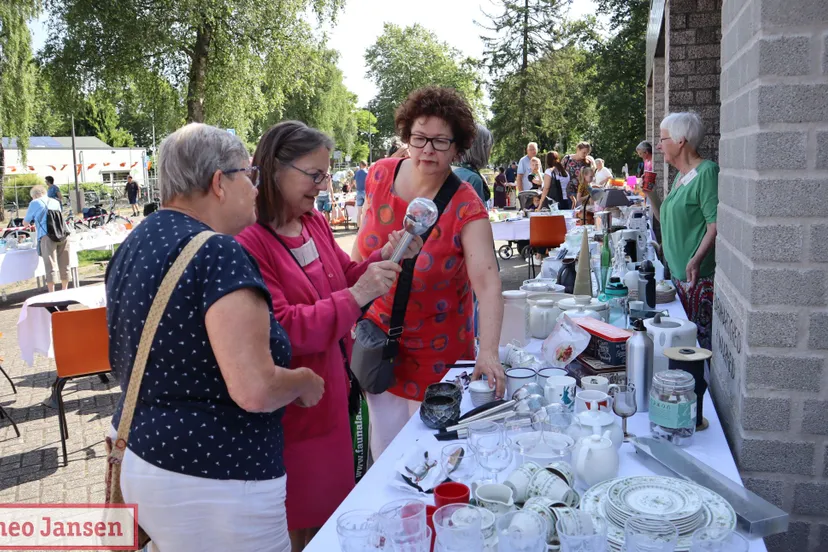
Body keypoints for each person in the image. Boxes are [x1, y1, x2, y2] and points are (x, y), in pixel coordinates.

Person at [105, 123, 325, 552]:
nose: (257, 188)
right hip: (217, 482)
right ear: (218, 183)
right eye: (249, 174)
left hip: (141, 456)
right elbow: (255, 389)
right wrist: (303, 381)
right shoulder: (219, 252)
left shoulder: (137, 242)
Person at [236, 121, 421, 550]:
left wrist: (387, 255)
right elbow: (284, 328)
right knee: (303, 531)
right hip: (295, 411)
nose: (323, 185)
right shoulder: (250, 242)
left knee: (338, 521)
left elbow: (344, 276)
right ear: (276, 168)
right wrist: (359, 293)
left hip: (332, 399)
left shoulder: (312, 222)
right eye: (314, 175)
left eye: (325, 174)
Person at [352, 86, 506, 460]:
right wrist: (351, 307)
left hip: (439, 351)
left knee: (431, 454)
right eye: (419, 138)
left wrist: (488, 352)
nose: (428, 151)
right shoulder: (379, 175)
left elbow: (487, 283)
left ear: (457, 147)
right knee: (385, 451)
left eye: (440, 142)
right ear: (407, 137)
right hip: (379, 342)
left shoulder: (466, 205)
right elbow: (359, 248)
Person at [647, 112, 718, 351]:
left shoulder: (707, 172)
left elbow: (715, 224)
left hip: (696, 281)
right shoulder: (681, 176)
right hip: (677, 277)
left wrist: (696, 259)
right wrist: (650, 194)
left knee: (693, 349)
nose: (658, 145)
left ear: (680, 141)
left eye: (663, 138)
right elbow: (664, 220)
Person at [24, 185, 69, 293]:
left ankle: (52, 293)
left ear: (34, 195)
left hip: (47, 236)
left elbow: (25, 223)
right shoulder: (55, 202)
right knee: (65, 264)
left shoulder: (34, 203)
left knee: (50, 265)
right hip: (63, 234)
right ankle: (64, 291)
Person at [453, 123, 493, 205]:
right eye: (488, 147)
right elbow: (478, 216)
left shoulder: (452, 171)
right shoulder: (473, 178)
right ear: (480, 149)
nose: (490, 152)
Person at [353, 160, 368, 228]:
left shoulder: (357, 172)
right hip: (365, 191)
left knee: (359, 211)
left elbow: (354, 182)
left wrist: (357, 187)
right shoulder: (367, 172)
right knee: (366, 210)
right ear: (366, 165)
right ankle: (365, 226)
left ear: (360, 165)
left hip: (358, 191)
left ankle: (358, 226)